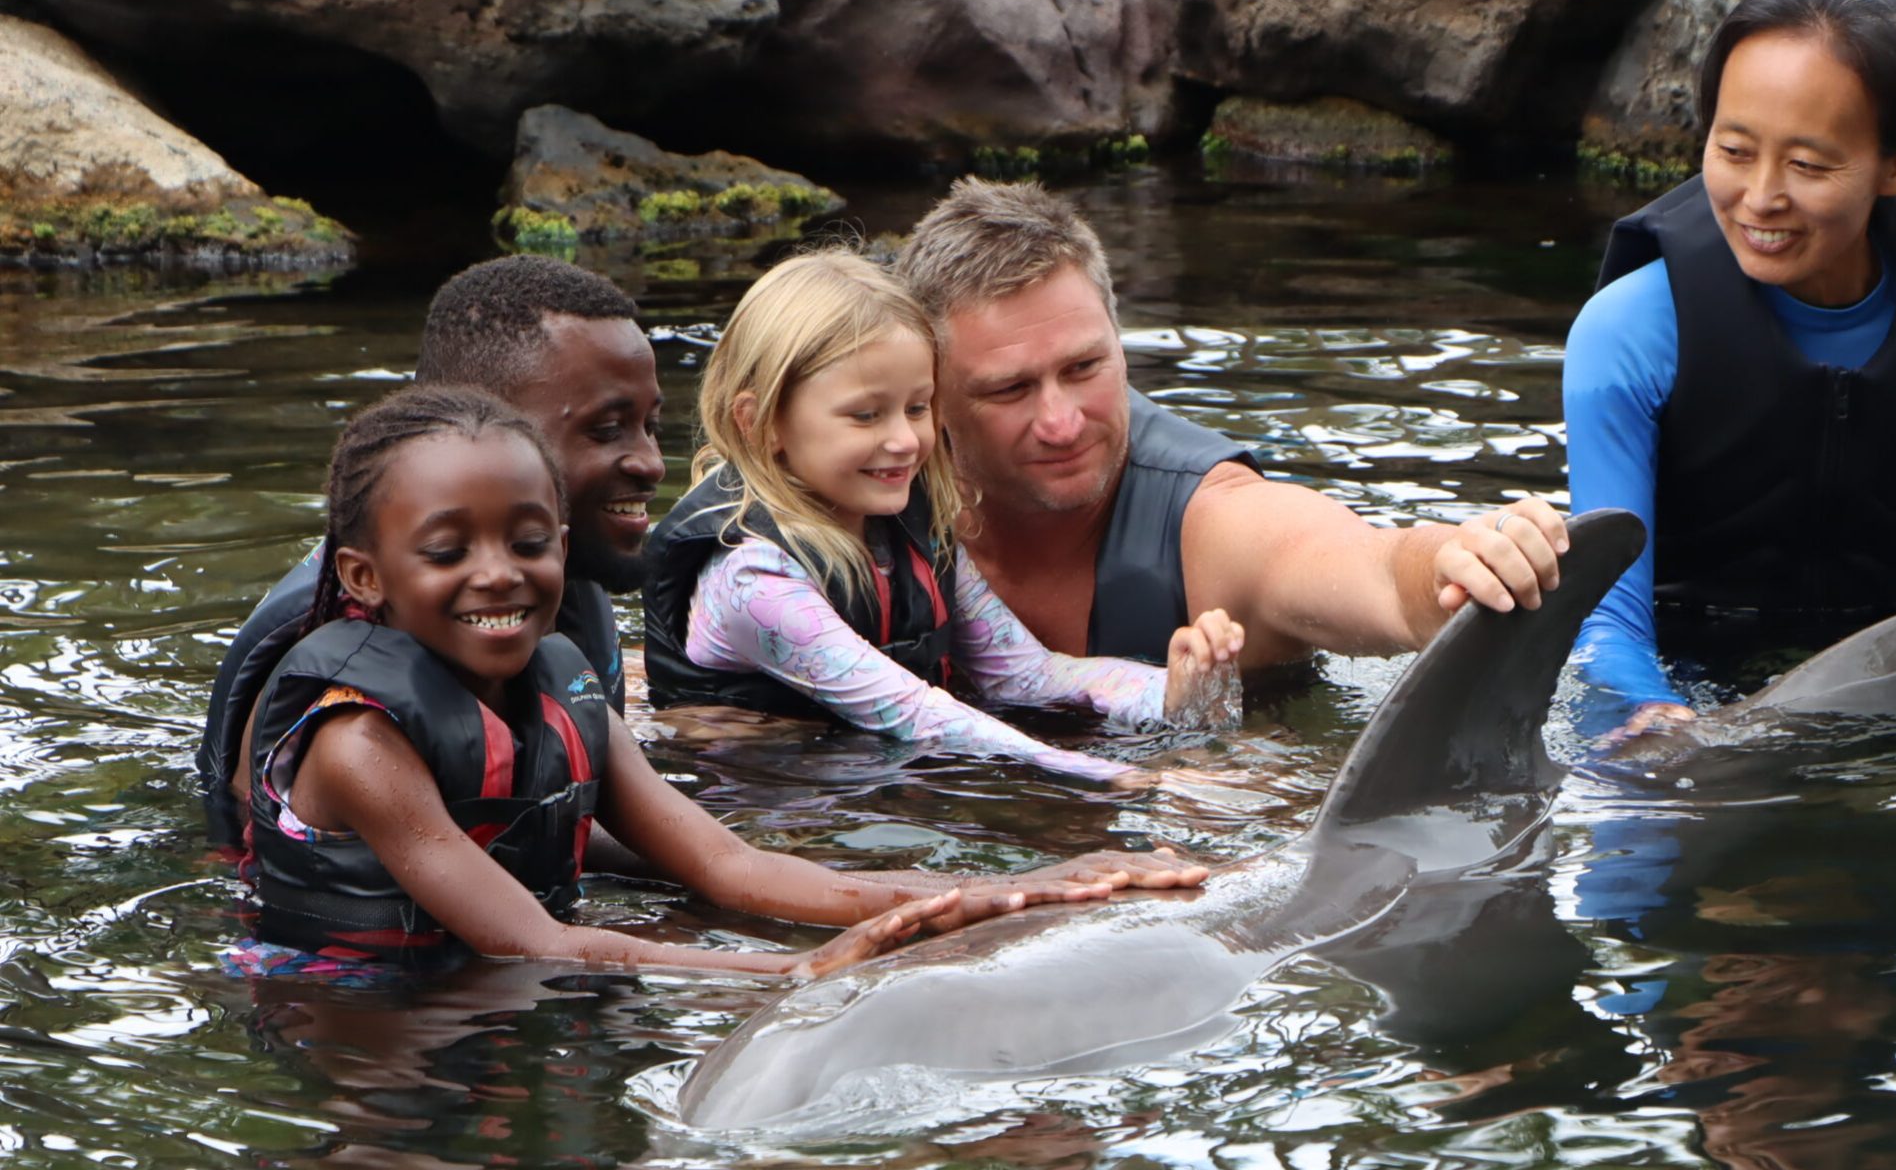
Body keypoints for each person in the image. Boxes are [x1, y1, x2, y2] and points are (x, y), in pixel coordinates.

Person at [241, 386, 1144, 980]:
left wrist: (1015, 890)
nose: (499, 575)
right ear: (363, 577)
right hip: (359, 1012)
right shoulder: (359, 741)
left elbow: (727, 865)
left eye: (528, 542)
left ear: (562, 546)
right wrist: (796, 973)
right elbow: (535, 943)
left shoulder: (565, 689)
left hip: (521, 977)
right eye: (447, 552)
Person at [1562, 0, 1896, 737]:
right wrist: (1653, 721)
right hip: (1679, 677)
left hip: (1884, 676)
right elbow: (1606, 626)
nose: (1760, 197)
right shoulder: (1627, 330)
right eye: (1734, 150)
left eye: (1809, 166)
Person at [893, 179, 1570, 673]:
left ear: (1119, 342)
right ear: (931, 398)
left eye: (1084, 368)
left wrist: (1456, 566)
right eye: (1010, 389)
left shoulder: (1210, 524)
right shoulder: (869, 494)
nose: (1062, 422)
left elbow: (1375, 572)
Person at [643, 250, 1244, 784]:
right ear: (761, 422)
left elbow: (1025, 675)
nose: (905, 440)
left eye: (918, 407)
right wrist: (1115, 777)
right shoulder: (752, 582)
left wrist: (1170, 691)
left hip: (864, 786)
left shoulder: (912, 532)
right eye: (865, 415)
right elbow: (914, 712)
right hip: (763, 820)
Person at [199, 255, 667, 847]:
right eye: (607, 429)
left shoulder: (558, 576)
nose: (652, 461)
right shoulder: (340, 685)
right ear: (477, 426)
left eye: (652, 424)